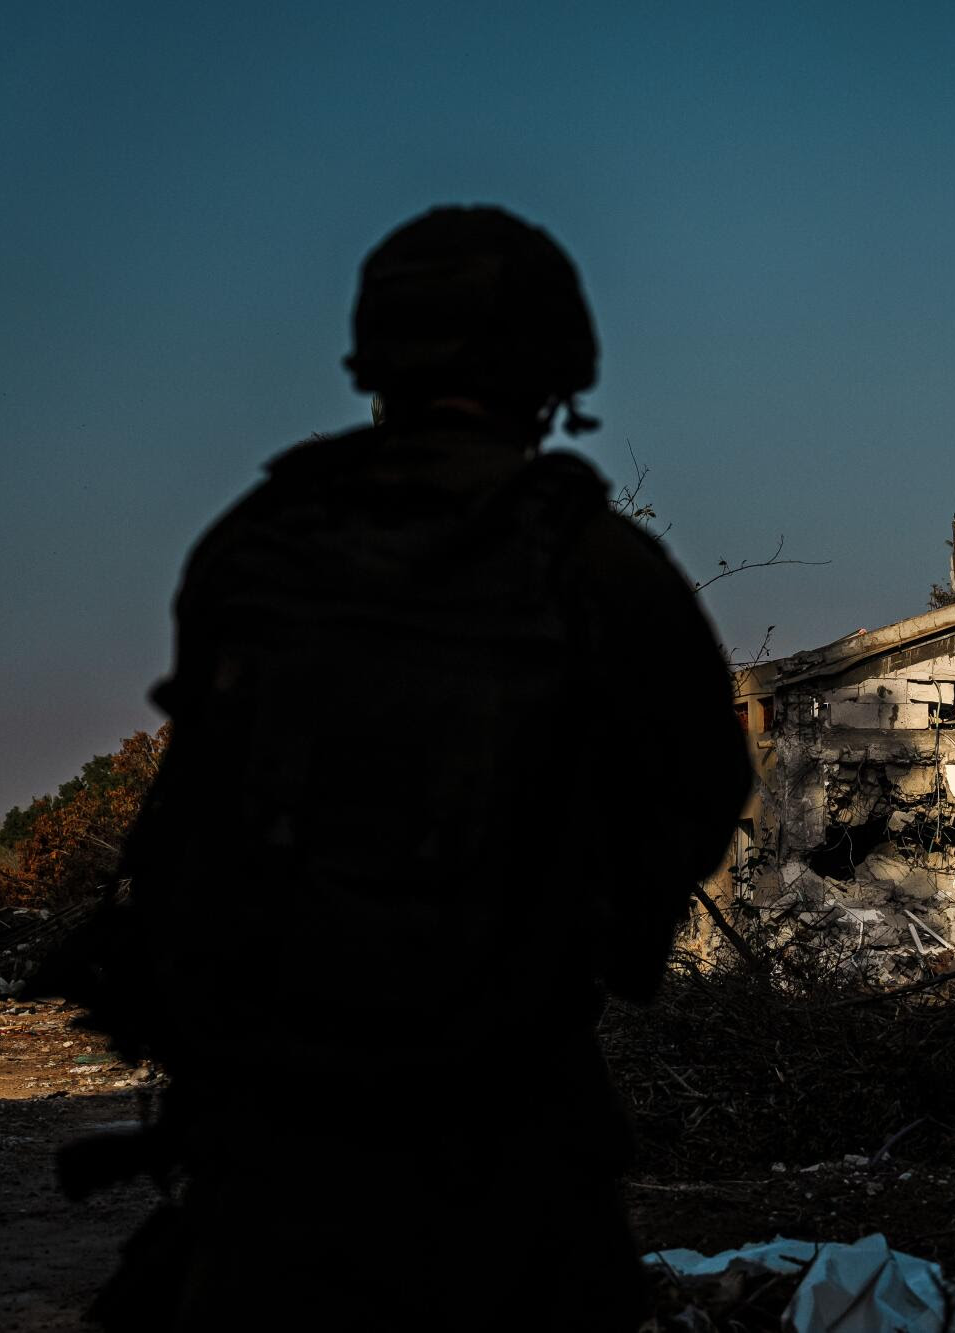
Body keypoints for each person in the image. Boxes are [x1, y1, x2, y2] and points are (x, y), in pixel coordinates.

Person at [74, 205, 751, 1330]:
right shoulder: (598, 561)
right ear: (555, 370)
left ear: (374, 358)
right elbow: (700, 782)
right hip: (507, 1135)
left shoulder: (256, 540)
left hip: (278, 1145)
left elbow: (196, 806)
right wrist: (592, 939)